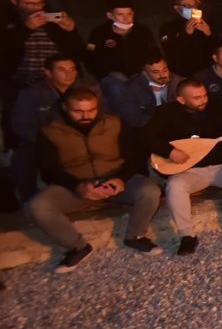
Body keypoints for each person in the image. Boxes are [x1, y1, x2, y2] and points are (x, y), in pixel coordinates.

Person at [30, 88, 163, 272]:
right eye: (78, 111)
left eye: (91, 110)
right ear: (64, 108)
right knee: (38, 205)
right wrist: (77, 186)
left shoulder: (114, 123)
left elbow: (133, 156)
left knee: (149, 191)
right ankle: (77, 246)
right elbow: (48, 169)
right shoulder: (50, 131)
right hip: (75, 185)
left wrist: (121, 179)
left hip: (115, 179)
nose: (86, 115)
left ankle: (136, 236)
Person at [142, 79, 222, 255]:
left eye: (204, 95)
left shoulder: (218, 107)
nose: (203, 100)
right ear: (181, 100)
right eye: (196, 98)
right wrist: (170, 151)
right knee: (175, 187)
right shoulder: (166, 113)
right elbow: (146, 137)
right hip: (189, 170)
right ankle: (187, 236)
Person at [1, 0, 83, 151]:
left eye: (39, 4)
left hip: (57, 75)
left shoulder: (51, 19)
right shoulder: (6, 20)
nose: (35, 8)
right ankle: (15, 149)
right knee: (16, 105)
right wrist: (25, 29)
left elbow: (80, 51)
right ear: (14, 1)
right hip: (20, 76)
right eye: (28, 4)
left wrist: (71, 30)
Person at [11, 55, 102, 200]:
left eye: (72, 69)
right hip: (47, 140)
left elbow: (103, 115)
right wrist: (46, 141)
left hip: (83, 136)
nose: (69, 74)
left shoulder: (89, 88)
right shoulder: (33, 92)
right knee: (22, 157)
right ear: (48, 73)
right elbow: (21, 123)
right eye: (62, 70)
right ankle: (30, 200)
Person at [85, 0, 158, 99]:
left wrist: (145, 71)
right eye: (120, 14)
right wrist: (110, 73)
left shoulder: (142, 31)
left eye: (129, 14)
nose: (126, 19)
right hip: (111, 77)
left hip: (141, 74)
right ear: (110, 15)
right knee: (116, 89)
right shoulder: (99, 33)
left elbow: (154, 54)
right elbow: (90, 59)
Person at [116, 55, 183, 131]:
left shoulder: (179, 83)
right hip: (148, 128)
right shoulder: (131, 89)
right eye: (155, 72)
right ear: (145, 73)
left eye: (165, 70)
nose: (162, 75)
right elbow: (132, 117)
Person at [156, 0, 215, 77]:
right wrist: (186, 34)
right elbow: (170, 51)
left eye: (193, 5)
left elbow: (216, 48)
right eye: (186, 5)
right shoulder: (167, 27)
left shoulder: (207, 24)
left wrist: (209, 34)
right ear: (177, 8)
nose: (191, 8)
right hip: (183, 74)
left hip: (206, 72)